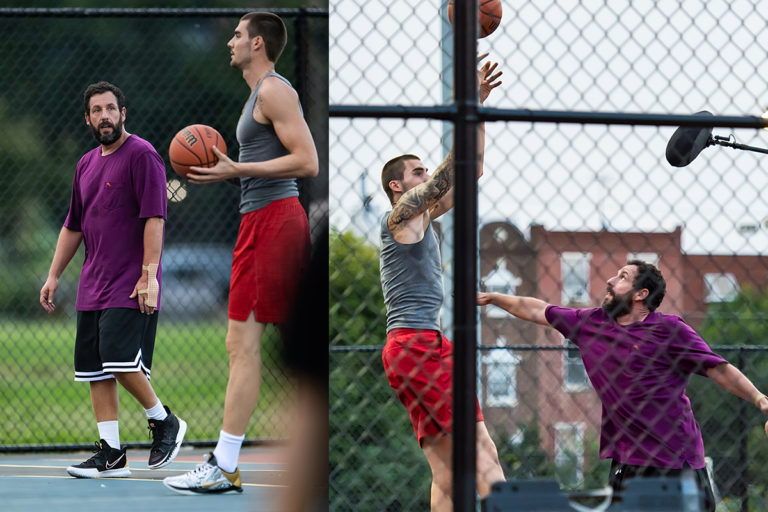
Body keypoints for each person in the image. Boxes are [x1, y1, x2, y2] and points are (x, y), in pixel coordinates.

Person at [163, 11, 318, 495]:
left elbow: (307, 160)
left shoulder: (275, 90)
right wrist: (237, 171)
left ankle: (226, 463)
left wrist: (238, 170)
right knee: (249, 345)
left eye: (236, 34)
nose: (229, 41)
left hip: (275, 221)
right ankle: (228, 462)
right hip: (259, 222)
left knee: (247, 346)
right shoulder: (258, 95)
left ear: (257, 44)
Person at [477, 260, 768, 511]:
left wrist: (759, 399)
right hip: (628, 460)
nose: (610, 280)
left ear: (641, 294)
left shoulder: (670, 330)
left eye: (622, 277)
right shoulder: (591, 322)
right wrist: (492, 298)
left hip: (674, 461)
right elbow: (536, 310)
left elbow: (719, 369)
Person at [39, 81, 186, 478]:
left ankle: (163, 420)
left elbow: (155, 217)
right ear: (87, 118)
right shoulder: (85, 165)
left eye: (110, 108)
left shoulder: (142, 156)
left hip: (130, 282)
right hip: (92, 283)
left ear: (124, 113)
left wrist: (149, 276)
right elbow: (73, 226)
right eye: (96, 110)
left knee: (119, 359)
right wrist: (54, 275)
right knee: (96, 370)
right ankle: (112, 453)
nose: (104, 116)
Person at [379, 56, 504, 511]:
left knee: (452, 468)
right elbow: (448, 174)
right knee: (477, 455)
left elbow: (470, 173)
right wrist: (467, 105)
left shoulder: (424, 219)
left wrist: (481, 111)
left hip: (427, 343)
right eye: (417, 172)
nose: (426, 175)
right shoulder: (400, 216)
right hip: (413, 344)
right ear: (398, 185)